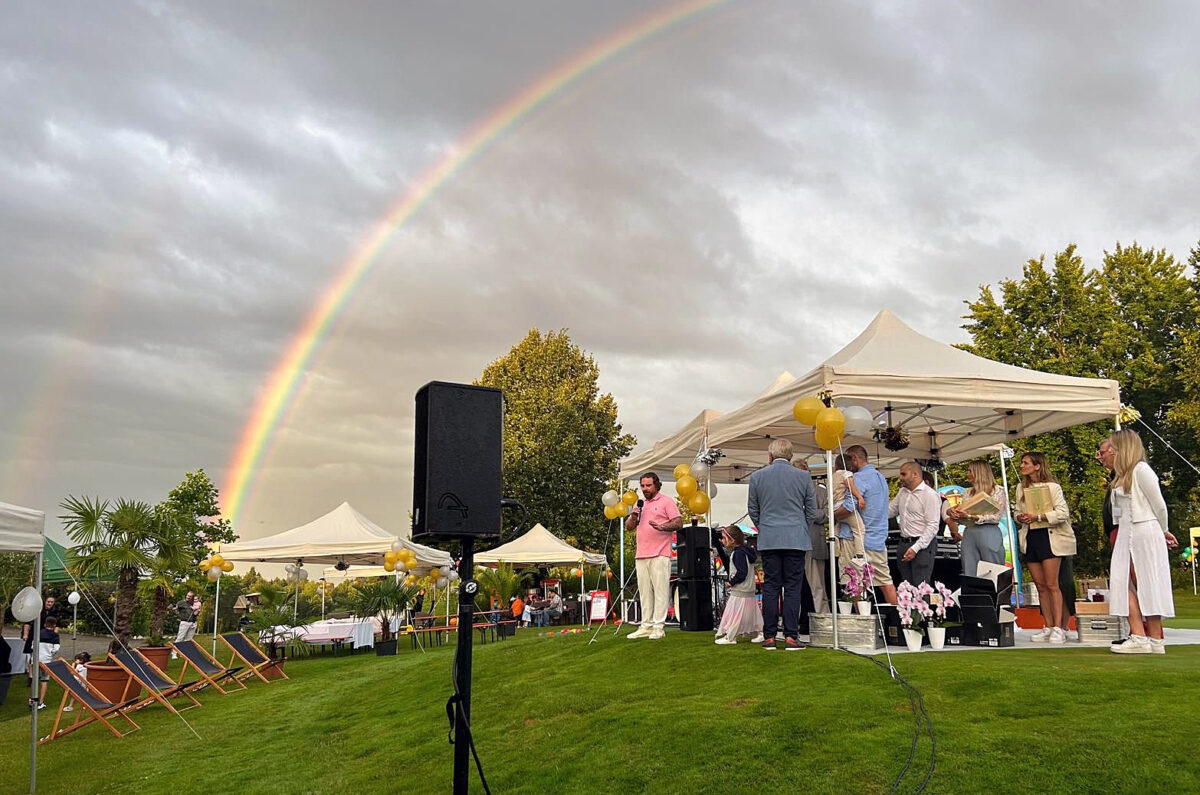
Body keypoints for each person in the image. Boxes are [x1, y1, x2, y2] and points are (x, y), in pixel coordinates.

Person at [1107, 429, 1178, 654]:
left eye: (1113, 448)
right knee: (1121, 581)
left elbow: (1159, 505)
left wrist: (1164, 530)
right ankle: (1140, 635)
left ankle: (1153, 639)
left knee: (1148, 582)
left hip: (1144, 529)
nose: (1110, 452)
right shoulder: (1121, 476)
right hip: (1126, 530)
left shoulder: (1141, 470)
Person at [748, 438, 819, 650]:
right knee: (792, 587)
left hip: (769, 538)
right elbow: (812, 511)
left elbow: (753, 510)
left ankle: (769, 636)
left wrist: (766, 526)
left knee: (770, 587)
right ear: (790, 456)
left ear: (770, 456)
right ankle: (790, 636)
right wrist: (799, 527)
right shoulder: (804, 476)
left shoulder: (757, 477)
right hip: (795, 539)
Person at [1014, 452, 1073, 644]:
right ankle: (1047, 625)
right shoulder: (1020, 488)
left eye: (1026, 463)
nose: (1022, 466)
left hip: (1050, 537)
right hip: (1031, 537)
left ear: (1037, 466)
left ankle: (1059, 627)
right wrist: (1021, 517)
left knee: (1052, 584)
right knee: (1040, 586)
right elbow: (1017, 512)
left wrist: (1039, 517)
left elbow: (1063, 513)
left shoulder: (1053, 487)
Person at [624, 471, 683, 640]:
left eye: (648, 485)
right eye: (642, 486)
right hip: (641, 554)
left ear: (656, 485)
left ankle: (658, 627)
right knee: (644, 592)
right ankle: (646, 625)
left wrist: (662, 527)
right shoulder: (639, 503)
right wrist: (634, 514)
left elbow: (678, 522)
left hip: (660, 553)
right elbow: (629, 527)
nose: (645, 488)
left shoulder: (666, 501)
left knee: (660, 591)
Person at [835, 445, 896, 605]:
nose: (846, 464)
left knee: (853, 581)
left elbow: (850, 506)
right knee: (885, 581)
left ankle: (862, 624)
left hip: (854, 539)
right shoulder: (880, 477)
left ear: (855, 458)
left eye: (848, 459)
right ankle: (901, 622)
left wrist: (831, 515)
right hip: (877, 538)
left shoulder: (858, 478)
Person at [947, 460, 1008, 577]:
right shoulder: (968, 492)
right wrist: (953, 513)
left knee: (993, 569)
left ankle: (994, 594)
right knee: (969, 568)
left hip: (989, 531)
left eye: (970, 471)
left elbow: (996, 517)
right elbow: (962, 511)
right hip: (970, 532)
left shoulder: (997, 491)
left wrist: (971, 516)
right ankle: (973, 593)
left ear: (979, 472)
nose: (967, 474)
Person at [889, 462, 940, 587]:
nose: (900, 477)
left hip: (922, 545)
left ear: (916, 474)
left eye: (903, 474)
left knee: (921, 586)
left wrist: (915, 548)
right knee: (906, 586)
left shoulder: (929, 495)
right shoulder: (902, 492)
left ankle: (921, 607)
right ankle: (909, 607)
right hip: (904, 542)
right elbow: (890, 511)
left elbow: (933, 525)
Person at [715, 526, 763, 645]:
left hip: (740, 590)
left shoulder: (738, 554)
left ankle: (731, 637)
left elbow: (742, 572)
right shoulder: (746, 551)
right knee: (752, 613)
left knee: (734, 614)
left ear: (732, 540)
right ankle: (760, 632)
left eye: (724, 538)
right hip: (748, 589)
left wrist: (731, 582)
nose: (722, 540)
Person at [799, 460, 830, 614]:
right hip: (794, 543)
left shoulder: (821, 491)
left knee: (817, 584)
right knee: (793, 586)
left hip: (814, 542)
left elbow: (828, 514)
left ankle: (823, 617)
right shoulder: (789, 491)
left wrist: (809, 513)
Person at [832, 455, 866, 585]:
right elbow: (850, 486)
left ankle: (835, 542)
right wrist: (860, 497)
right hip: (843, 505)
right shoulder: (847, 474)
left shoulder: (833, 475)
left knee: (839, 525)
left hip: (834, 507)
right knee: (859, 527)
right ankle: (859, 555)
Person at [36, 617, 61, 709]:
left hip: (35, 659)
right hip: (46, 660)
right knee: (44, 680)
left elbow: (32, 646)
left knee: (34, 679)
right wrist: (50, 653)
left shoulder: (38, 633)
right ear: (54, 626)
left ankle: (32, 699)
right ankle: (40, 703)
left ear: (45, 624)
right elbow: (56, 649)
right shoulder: (55, 636)